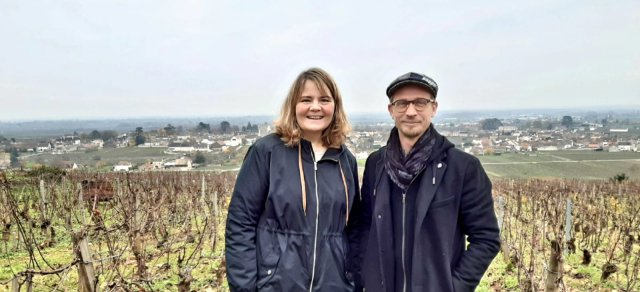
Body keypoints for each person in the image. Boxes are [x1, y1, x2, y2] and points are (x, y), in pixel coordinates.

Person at [354, 72, 500, 292]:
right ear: (391, 110)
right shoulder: (376, 164)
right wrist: (365, 278)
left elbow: (486, 238)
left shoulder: (463, 167)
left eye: (420, 103)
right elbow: (364, 226)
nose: (411, 111)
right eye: (402, 103)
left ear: (434, 108)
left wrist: (455, 287)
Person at [225, 67, 362, 291]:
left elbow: (353, 229)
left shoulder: (345, 160)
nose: (315, 107)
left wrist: (353, 280)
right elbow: (241, 223)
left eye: (324, 99)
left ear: (335, 107)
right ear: (293, 106)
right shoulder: (267, 152)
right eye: (306, 99)